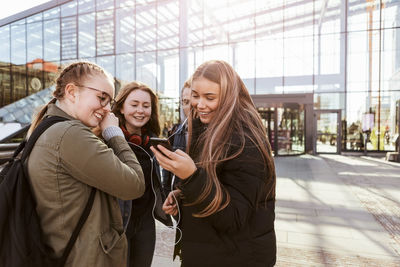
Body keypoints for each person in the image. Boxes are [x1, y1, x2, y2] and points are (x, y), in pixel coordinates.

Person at [151, 60, 277, 267]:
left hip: (235, 257)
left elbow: (234, 218)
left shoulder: (245, 140)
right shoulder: (208, 129)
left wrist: (191, 177)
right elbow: (217, 186)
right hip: (211, 251)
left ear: (229, 97)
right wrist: (183, 196)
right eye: (195, 96)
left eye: (210, 97)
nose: (200, 104)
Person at [27, 61, 146, 267]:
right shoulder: (69, 134)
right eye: (102, 98)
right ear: (72, 92)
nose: (108, 109)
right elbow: (134, 184)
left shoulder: (51, 126)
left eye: (110, 101)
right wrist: (114, 134)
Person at [112, 81, 171, 267]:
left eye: (146, 106)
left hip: (145, 223)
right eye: (134, 104)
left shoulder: (153, 142)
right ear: (121, 107)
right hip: (118, 223)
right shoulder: (107, 141)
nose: (140, 110)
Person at [162, 79, 191, 196]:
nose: (191, 106)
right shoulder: (176, 132)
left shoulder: (214, 135)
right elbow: (167, 173)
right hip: (178, 201)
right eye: (185, 101)